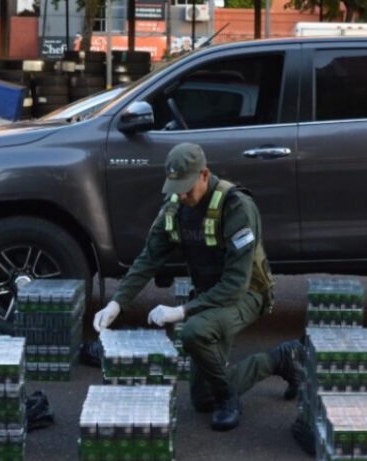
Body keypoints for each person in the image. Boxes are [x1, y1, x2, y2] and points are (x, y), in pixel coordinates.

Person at [92, 142, 300, 431]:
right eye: (176, 188)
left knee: (193, 331)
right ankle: (279, 360)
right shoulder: (175, 207)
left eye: (188, 187)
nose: (183, 195)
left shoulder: (237, 206)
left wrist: (182, 311)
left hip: (246, 295)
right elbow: (149, 258)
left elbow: (235, 285)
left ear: (205, 174)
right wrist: (117, 303)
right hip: (209, 297)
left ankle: (229, 397)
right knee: (202, 400)